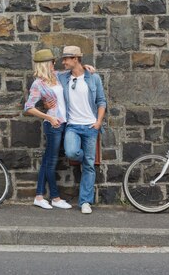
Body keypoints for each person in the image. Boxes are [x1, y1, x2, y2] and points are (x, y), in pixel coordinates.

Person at [23, 49, 96, 210]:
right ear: (46, 64)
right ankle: (55, 197)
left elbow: (74, 70)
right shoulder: (38, 83)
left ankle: (39, 196)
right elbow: (28, 108)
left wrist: (87, 67)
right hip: (53, 125)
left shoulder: (57, 76)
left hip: (64, 123)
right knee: (51, 161)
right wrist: (48, 117)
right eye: (52, 62)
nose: (55, 64)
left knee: (48, 160)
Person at [58, 45, 106, 214]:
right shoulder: (63, 78)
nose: (63, 62)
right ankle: (85, 157)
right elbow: (45, 77)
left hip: (90, 126)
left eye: (66, 59)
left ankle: (85, 201)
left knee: (89, 167)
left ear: (76, 59)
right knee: (71, 153)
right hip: (72, 126)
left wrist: (98, 122)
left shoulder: (93, 78)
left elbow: (101, 101)